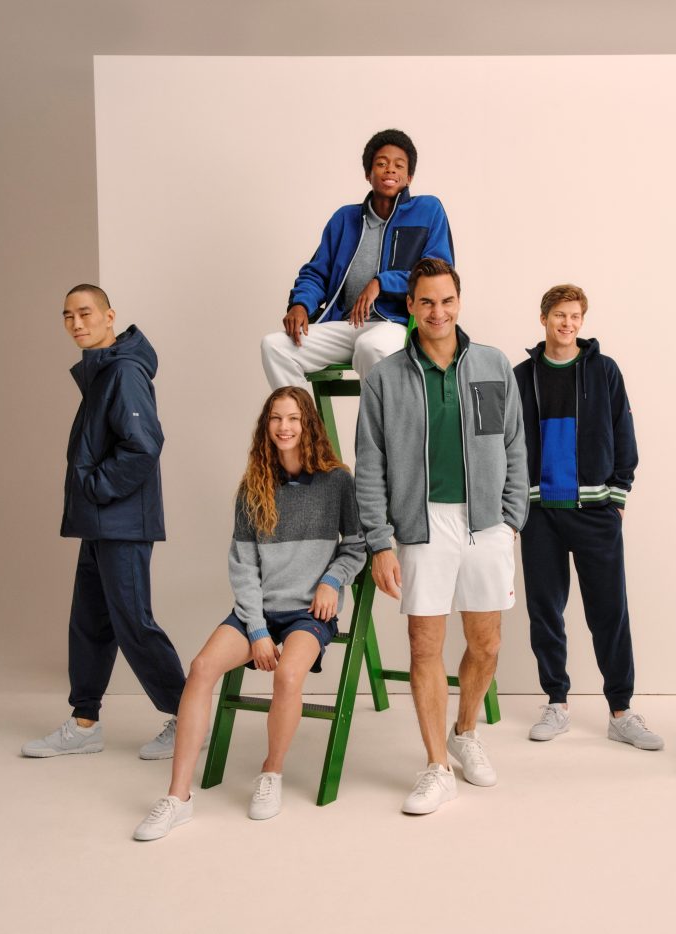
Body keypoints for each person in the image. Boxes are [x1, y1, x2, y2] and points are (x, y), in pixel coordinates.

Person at [134, 387, 365, 839]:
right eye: (276, 418)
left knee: (288, 677)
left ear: (308, 424)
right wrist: (257, 629)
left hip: (308, 612)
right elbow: (242, 566)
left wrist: (332, 580)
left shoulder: (337, 481)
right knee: (201, 668)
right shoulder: (253, 486)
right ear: (266, 426)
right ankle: (177, 798)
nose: (284, 427)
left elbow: (355, 546)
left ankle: (271, 772)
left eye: (293, 418)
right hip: (256, 610)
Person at [355, 258, 528, 815]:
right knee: (424, 647)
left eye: (447, 300)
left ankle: (465, 731)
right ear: (410, 306)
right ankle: (436, 766)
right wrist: (380, 542)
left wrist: (511, 517)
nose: (438, 312)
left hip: (486, 524)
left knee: (487, 643)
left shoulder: (493, 364)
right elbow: (370, 466)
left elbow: (514, 443)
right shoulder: (385, 378)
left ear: (459, 302)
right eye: (426, 302)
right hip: (422, 525)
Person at [23, 284, 187, 761]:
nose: (76, 323)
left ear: (110, 316)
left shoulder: (124, 371)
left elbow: (144, 445)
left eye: (85, 313)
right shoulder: (102, 371)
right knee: (89, 623)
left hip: (122, 523)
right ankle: (84, 724)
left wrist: (95, 487)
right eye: (68, 316)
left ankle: (188, 715)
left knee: (133, 622)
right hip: (101, 523)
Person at [514, 285, 661, 750]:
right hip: (540, 513)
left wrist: (617, 497)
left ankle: (621, 711)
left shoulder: (604, 370)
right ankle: (556, 703)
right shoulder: (522, 376)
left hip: (596, 511)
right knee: (545, 611)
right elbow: (508, 444)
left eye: (575, 316)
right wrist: (515, 505)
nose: (568, 323)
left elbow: (624, 432)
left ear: (582, 320)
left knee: (610, 612)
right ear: (543, 318)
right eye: (560, 315)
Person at [260, 128, 454, 389]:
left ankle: (380, 418)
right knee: (274, 346)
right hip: (345, 324)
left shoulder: (428, 210)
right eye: (381, 163)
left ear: (409, 177)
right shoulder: (344, 219)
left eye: (399, 165)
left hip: (394, 325)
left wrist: (381, 283)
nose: (390, 170)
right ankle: (304, 418)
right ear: (368, 173)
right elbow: (316, 273)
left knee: (369, 346)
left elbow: (438, 274)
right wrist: (300, 305)